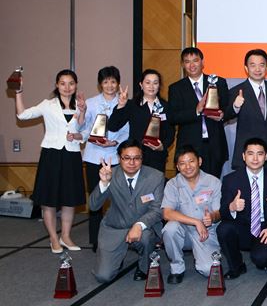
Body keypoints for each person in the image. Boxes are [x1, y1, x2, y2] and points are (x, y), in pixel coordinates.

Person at [14, 69, 86, 254]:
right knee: (49, 199)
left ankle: (66, 236)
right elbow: (22, 115)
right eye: (63, 83)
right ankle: (54, 238)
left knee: (70, 199)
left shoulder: (80, 105)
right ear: (56, 85)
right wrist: (18, 92)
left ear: (76, 85)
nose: (67, 87)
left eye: (71, 83)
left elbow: (85, 131)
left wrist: (82, 117)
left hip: (71, 155)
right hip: (52, 155)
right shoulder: (48, 104)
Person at [90, 140, 165, 283]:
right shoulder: (110, 174)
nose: (132, 162)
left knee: (146, 238)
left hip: (144, 230)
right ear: (119, 158)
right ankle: (117, 258)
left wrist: (139, 225)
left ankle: (144, 266)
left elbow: (157, 210)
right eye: (127, 158)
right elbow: (93, 206)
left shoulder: (155, 177)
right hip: (114, 228)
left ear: (142, 159)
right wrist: (104, 183)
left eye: (137, 158)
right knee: (103, 276)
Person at [81, 66, 130, 252]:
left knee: (120, 200)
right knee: (96, 200)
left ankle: (120, 237)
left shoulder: (125, 102)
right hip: (94, 156)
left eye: (113, 81)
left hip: (117, 157)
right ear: (100, 84)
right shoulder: (91, 103)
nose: (109, 85)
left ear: (118, 83)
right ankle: (95, 239)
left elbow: (128, 130)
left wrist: (115, 141)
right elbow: (85, 129)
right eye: (105, 82)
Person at [217, 138, 267, 279]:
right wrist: (232, 207)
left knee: (262, 259)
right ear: (244, 156)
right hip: (242, 228)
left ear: (266, 156)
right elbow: (222, 212)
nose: (255, 158)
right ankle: (236, 265)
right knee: (223, 229)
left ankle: (261, 255)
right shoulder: (230, 180)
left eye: (260, 154)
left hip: (265, 229)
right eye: (251, 154)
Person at [161, 145, 221, 284]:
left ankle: (202, 254)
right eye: (182, 163)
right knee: (170, 229)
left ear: (199, 161)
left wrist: (211, 217)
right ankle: (177, 267)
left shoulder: (213, 182)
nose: (187, 166)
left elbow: (218, 212)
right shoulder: (172, 184)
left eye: (191, 161)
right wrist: (196, 221)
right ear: (177, 166)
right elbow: (167, 213)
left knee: (208, 270)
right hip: (183, 231)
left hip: (206, 233)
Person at [168, 47, 230, 178]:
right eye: (187, 62)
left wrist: (222, 115)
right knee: (188, 188)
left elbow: (227, 109)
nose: (192, 65)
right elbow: (173, 117)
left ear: (202, 62)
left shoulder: (218, 82)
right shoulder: (176, 88)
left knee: (213, 186)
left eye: (195, 60)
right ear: (183, 65)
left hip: (214, 145)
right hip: (189, 146)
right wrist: (196, 110)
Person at [107, 69, 174, 172]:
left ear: (159, 86)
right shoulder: (132, 104)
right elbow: (113, 126)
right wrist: (121, 106)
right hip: (135, 157)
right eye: (147, 83)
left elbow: (170, 133)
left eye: (155, 83)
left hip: (157, 157)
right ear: (141, 85)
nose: (151, 86)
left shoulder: (166, 106)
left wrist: (163, 146)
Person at [225, 49, 267, 172]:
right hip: (246, 154)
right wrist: (235, 107)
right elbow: (224, 116)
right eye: (253, 65)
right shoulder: (236, 91)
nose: (257, 69)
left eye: (261, 65)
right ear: (246, 68)